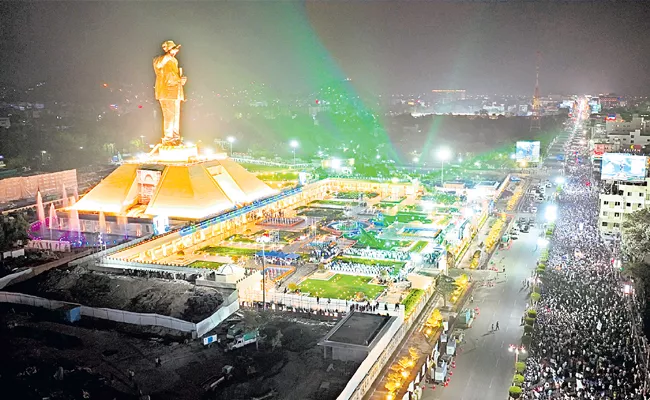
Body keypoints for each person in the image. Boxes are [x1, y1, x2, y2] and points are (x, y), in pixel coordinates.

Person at [153, 40, 188, 146]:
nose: (175, 51)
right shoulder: (158, 60)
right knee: (169, 117)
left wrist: (181, 80)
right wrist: (170, 54)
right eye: (173, 49)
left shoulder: (174, 61)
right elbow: (160, 64)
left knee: (176, 117)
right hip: (166, 92)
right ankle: (168, 139)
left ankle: (176, 138)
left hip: (175, 92)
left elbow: (173, 75)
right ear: (166, 49)